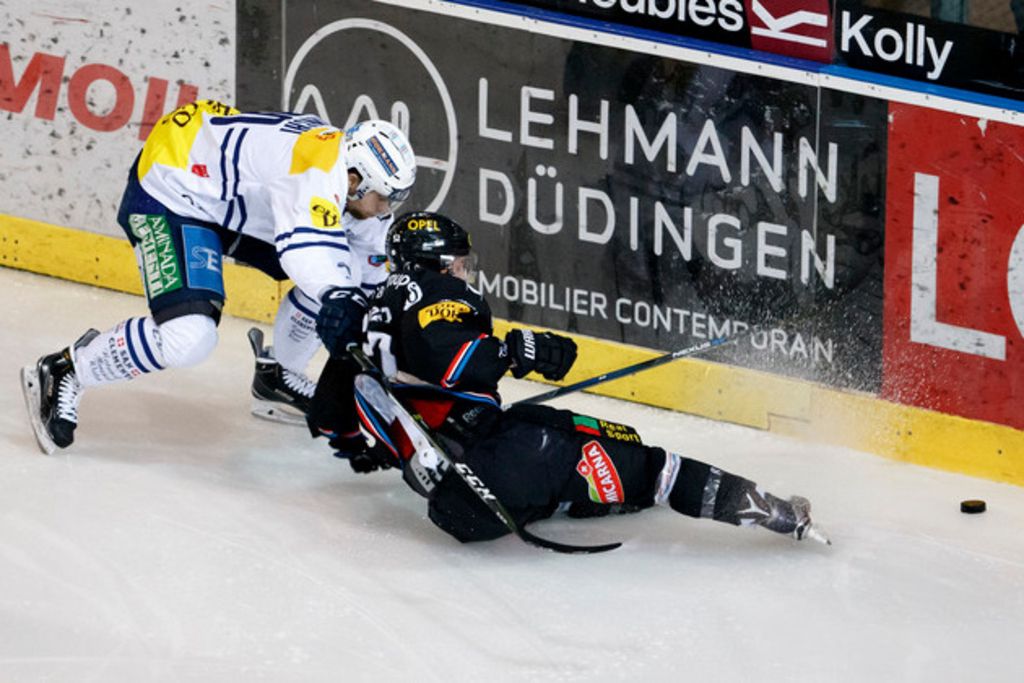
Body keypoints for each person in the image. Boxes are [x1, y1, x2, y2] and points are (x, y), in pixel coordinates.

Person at [307, 211, 830, 546]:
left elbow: (330, 413)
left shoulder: (373, 303)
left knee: (552, 429)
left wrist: (365, 443)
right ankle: (776, 512)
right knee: (647, 464)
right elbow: (453, 357)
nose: (465, 273)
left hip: (462, 486)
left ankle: (538, 487)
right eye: (460, 263)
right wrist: (520, 349)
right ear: (438, 262)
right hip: (499, 461)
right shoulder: (437, 291)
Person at [21, 99, 416, 453]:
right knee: (190, 337)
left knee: (339, 281)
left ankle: (277, 376)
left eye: (395, 198)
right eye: (383, 196)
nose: (387, 208)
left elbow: (366, 275)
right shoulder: (313, 174)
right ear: (353, 179)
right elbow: (308, 254)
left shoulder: (354, 186)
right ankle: (67, 369)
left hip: (229, 196)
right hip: (173, 187)